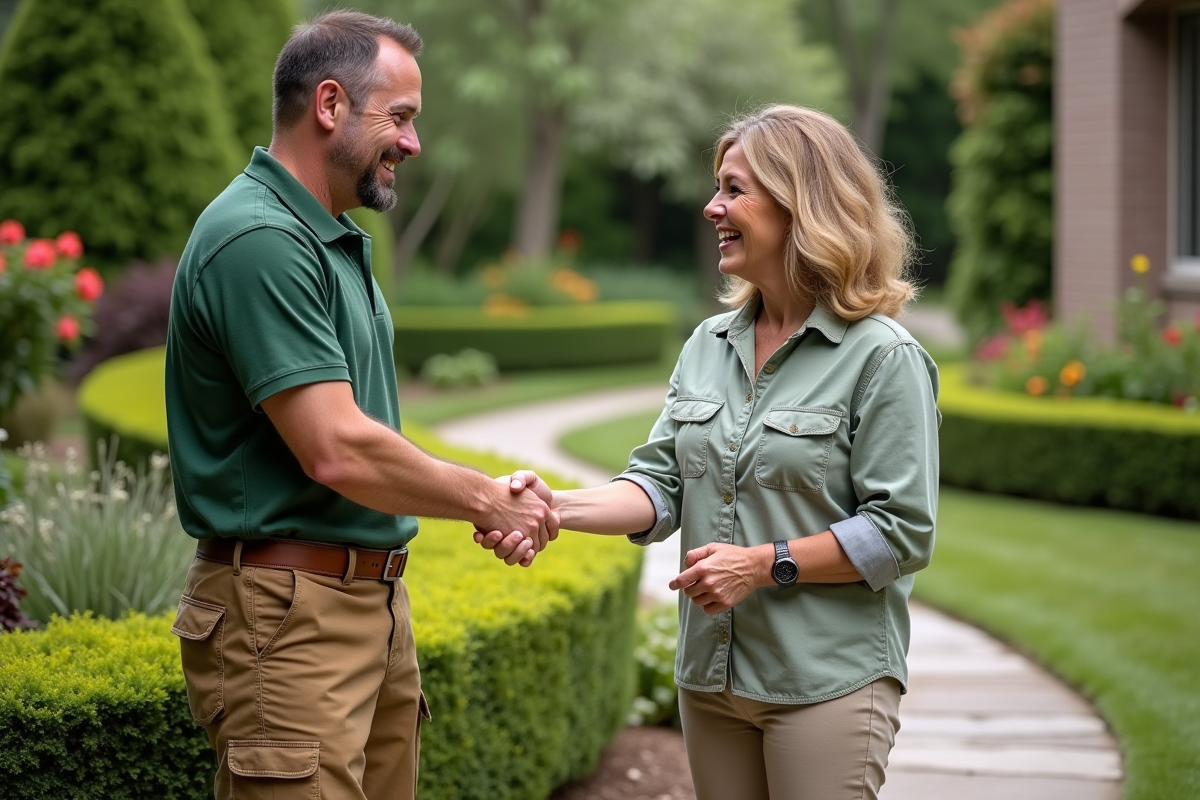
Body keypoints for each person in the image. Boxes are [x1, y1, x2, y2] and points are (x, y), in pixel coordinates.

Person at [482, 105, 940, 800]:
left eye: (733, 189)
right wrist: (553, 508)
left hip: (826, 681)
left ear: (800, 205)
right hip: (713, 679)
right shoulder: (708, 345)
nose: (711, 206)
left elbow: (900, 532)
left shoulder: (883, 358)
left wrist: (762, 565)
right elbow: (660, 483)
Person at [164, 11, 556, 800]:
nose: (412, 143)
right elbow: (336, 448)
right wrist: (487, 498)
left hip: (364, 605)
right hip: (289, 616)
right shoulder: (259, 239)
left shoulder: (327, 237)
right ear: (331, 104)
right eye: (401, 118)